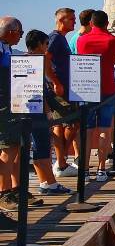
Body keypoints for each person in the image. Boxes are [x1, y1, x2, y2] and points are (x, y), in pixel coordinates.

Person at [24, 30, 71, 195]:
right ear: (38, 44)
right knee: (43, 146)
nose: (46, 48)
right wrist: (48, 111)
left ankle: (44, 181)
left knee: (37, 147)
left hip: (24, 112)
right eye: (45, 44)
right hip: (37, 112)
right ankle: (50, 183)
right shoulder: (36, 63)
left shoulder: (22, 61)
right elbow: (38, 90)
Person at [77, 9, 115, 182]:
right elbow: (114, 60)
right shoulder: (113, 41)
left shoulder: (82, 41)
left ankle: (85, 169)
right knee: (105, 130)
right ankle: (102, 169)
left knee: (86, 131)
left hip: (86, 88)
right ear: (107, 23)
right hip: (108, 87)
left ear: (91, 23)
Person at [47, 7, 79, 176]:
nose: (75, 21)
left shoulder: (62, 39)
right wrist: (55, 82)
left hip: (66, 87)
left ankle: (61, 161)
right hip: (59, 88)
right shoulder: (55, 38)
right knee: (69, 123)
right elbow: (46, 57)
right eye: (72, 19)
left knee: (66, 124)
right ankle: (60, 162)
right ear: (62, 20)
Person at [0, 17, 25, 213]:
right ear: (11, 32)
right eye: (20, 33)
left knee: (15, 147)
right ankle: (4, 193)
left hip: (12, 103)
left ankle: (15, 188)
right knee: (7, 150)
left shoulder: (6, 48)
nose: (21, 36)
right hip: (3, 107)